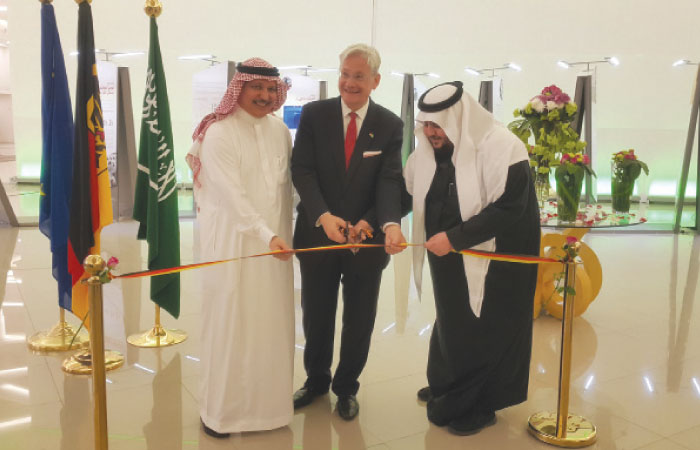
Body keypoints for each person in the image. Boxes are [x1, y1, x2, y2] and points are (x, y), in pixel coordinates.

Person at [403, 81, 540, 435]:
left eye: (438, 125)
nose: (432, 133)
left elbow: (509, 208)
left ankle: (479, 402)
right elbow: (411, 192)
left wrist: (455, 237)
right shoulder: (428, 151)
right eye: (427, 125)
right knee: (453, 319)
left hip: (498, 259)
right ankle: (448, 383)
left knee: (484, 326)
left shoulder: (503, 147)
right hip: (446, 253)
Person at [291, 43, 406, 421]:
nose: (349, 83)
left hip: (365, 242)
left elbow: (389, 181)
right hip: (316, 234)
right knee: (316, 313)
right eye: (344, 73)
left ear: (375, 80)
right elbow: (303, 171)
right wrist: (323, 216)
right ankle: (316, 380)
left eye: (359, 76)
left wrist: (372, 222)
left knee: (359, 318)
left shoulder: (390, 124)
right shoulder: (314, 114)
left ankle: (346, 388)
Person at [186, 58, 294, 438]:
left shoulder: (280, 131)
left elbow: (286, 192)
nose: (265, 96)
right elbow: (234, 199)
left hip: (274, 250)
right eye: (256, 88)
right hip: (233, 249)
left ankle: (270, 410)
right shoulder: (219, 133)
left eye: (270, 90)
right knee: (230, 327)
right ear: (239, 88)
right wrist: (266, 235)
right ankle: (221, 414)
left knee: (270, 326)